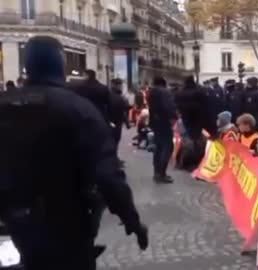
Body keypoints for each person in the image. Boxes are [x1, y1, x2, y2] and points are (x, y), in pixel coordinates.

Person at [0, 36, 148, 270]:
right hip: (66, 222)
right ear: (60, 64)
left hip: (14, 218)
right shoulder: (77, 109)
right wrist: (132, 220)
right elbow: (108, 175)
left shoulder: (5, 104)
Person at [149, 76, 177, 183]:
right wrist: (173, 117)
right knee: (167, 147)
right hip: (164, 123)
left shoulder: (152, 92)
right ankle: (162, 173)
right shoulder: (165, 92)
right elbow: (169, 106)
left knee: (158, 148)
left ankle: (156, 172)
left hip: (155, 123)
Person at [108, 78, 131, 164]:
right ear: (116, 85)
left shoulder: (113, 95)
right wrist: (127, 122)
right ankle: (113, 160)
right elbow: (123, 110)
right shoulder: (115, 96)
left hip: (114, 121)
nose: (121, 87)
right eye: (120, 85)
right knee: (114, 142)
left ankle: (114, 159)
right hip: (115, 122)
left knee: (114, 142)